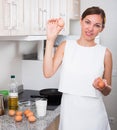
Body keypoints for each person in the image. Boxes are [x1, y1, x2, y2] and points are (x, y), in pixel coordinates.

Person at [43, 6, 113, 130]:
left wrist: (103, 86)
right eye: (87, 22)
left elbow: (107, 91)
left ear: (102, 29)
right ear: (81, 21)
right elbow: (48, 73)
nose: (90, 28)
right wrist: (50, 39)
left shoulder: (105, 53)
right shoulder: (66, 46)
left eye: (97, 25)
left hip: (94, 117)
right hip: (69, 115)